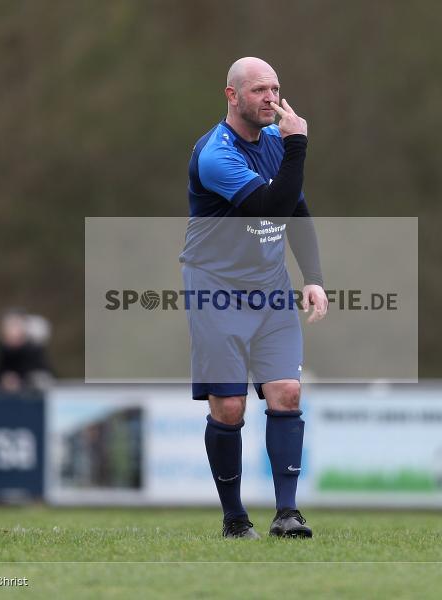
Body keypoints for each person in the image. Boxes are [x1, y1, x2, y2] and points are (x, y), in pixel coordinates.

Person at [180, 57, 328, 539]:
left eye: (276, 88)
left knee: (286, 392)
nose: (271, 97)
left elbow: (296, 211)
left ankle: (287, 514)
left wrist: (313, 277)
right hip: (215, 288)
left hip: (270, 289)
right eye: (260, 89)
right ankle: (234, 518)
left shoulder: (273, 144)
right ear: (232, 95)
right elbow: (268, 207)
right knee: (229, 408)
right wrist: (298, 148)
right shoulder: (215, 155)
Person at [0, 309, 55, 393]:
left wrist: (25, 382)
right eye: (8, 326)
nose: (12, 331)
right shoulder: (2, 351)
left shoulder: (34, 351)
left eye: (15, 325)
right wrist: (3, 380)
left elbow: (46, 377)